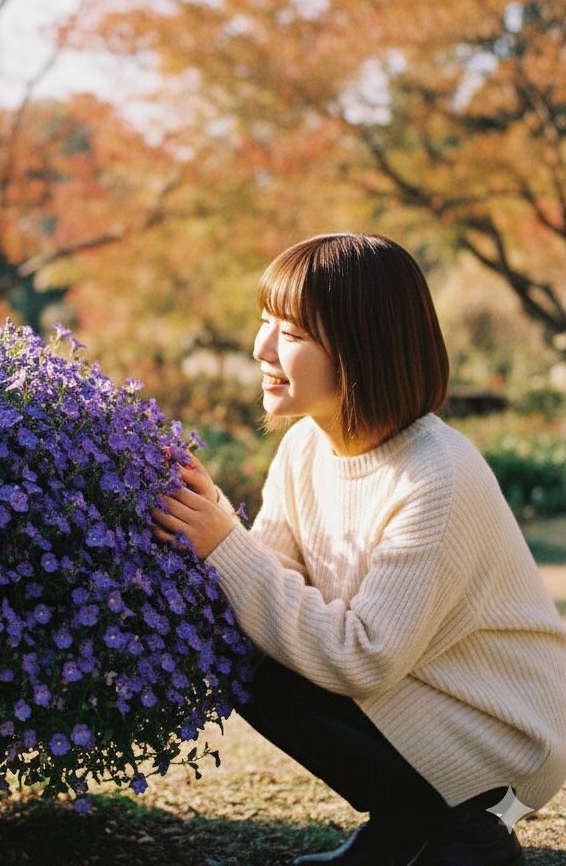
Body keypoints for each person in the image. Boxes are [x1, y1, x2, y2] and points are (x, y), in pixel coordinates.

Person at [151, 233, 566, 866]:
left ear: (360, 348)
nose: (262, 348)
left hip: (499, 730)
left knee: (263, 668)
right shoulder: (305, 448)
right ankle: (408, 827)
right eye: (265, 323)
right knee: (246, 656)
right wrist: (217, 528)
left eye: (291, 333)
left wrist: (225, 544)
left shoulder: (435, 475)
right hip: (420, 692)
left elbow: (364, 658)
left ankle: (468, 831)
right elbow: (270, 590)